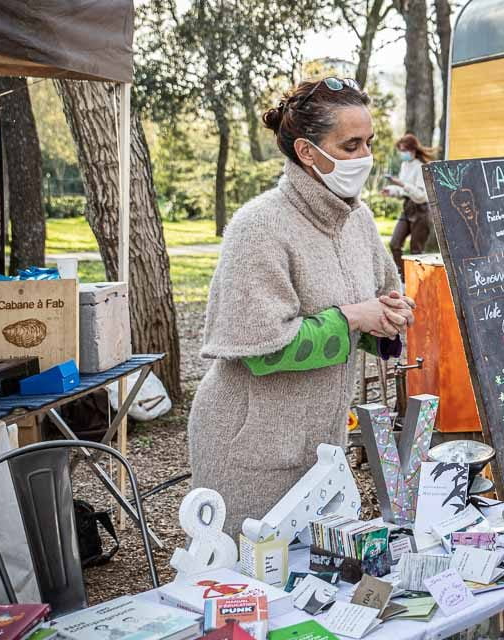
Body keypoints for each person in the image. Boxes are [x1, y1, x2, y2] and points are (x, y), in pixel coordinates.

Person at [188, 77, 414, 536]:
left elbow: (378, 309)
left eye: (368, 143)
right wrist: (353, 317)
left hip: (323, 447)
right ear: (307, 152)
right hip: (250, 452)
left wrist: (388, 318)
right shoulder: (259, 226)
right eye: (350, 145)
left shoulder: (360, 219)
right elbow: (261, 350)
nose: (365, 157)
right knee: (250, 585)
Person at [384, 133, 434, 275]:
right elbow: (403, 191)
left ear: (412, 150)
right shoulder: (405, 165)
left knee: (416, 251)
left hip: (421, 210)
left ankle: (416, 282)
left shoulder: (421, 167)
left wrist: (402, 184)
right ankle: (402, 276)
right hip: (407, 208)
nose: (402, 154)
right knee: (394, 243)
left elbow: (421, 195)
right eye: (400, 150)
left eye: (404, 150)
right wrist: (391, 190)